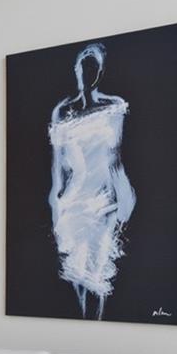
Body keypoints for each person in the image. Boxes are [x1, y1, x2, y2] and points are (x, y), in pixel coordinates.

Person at [47, 42, 135, 320]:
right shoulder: (62, 112)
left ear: (100, 73)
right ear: (76, 71)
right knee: (76, 273)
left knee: (97, 275)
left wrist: (126, 197)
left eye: (93, 68)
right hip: (74, 203)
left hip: (103, 202)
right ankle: (82, 328)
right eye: (83, 67)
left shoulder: (114, 108)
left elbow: (115, 159)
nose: (87, 73)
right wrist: (56, 207)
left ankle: (94, 329)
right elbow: (57, 169)